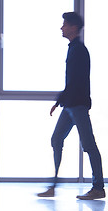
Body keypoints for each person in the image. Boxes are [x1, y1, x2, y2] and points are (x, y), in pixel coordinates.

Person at [38, 12, 105, 200]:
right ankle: (53, 186)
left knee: (89, 145)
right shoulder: (73, 48)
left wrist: (62, 101)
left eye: (64, 25)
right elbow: (72, 82)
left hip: (77, 105)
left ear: (73, 27)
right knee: (56, 139)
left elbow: (77, 81)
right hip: (70, 106)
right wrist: (60, 102)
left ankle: (98, 187)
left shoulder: (79, 50)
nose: (62, 28)